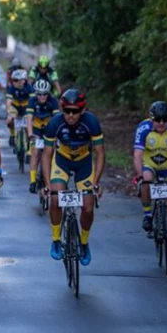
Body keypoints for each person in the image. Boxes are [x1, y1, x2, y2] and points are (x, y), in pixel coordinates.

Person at [41, 89, 105, 266]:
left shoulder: (91, 122)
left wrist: (96, 182)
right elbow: (46, 155)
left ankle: (84, 243)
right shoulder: (55, 123)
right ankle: (56, 240)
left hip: (84, 163)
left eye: (75, 111)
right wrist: (47, 184)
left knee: (87, 208)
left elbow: (100, 153)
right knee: (55, 199)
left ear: (82, 110)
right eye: (67, 111)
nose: (70, 115)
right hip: (62, 161)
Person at [133, 101, 167, 252]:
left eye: (165, 120)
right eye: (157, 120)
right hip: (150, 164)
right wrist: (139, 175)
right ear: (151, 119)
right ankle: (148, 214)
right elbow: (137, 155)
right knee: (146, 179)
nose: (161, 123)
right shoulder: (143, 128)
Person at [27, 79, 60, 194]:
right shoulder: (32, 101)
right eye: (39, 94)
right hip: (36, 130)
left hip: (49, 130)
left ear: (48, 94)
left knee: (52, 152)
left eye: (45, 94)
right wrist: (30, 134)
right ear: (36, 94)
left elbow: (58, 120)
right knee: (35, 152)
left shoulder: (53, 101)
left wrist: (57, 135)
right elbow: (29, 119)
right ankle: (32, 181)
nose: (42, 96)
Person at [5, 69, 33, 148]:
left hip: (26, 107)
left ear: (23, 81)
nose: (14, 82)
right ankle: (12, 135)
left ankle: (29, 138)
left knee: (31, 121)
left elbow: (33, 101)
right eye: (13, 80)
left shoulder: (29, 88)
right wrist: (9, 113)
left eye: (16, 80)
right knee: (10, 120)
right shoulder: (11, 88)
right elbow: (8, 102)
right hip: (15, 107)